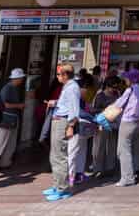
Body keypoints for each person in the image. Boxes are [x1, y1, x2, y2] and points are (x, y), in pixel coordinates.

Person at [44, 63, 81, 202]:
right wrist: (56, 102)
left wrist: (71, 125)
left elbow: (74, 109)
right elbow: (66, 103)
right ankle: (56, 185)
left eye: (59, 74)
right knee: (55, 155)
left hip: (63, 122)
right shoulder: (67, 87)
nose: (57, 76)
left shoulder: (72, 88)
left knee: (60, 156)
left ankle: (63, 189)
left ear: (65, 75)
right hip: (58, 120)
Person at [113, 68, 139, 187]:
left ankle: (127, 178)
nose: (125, 80)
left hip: (127, 122)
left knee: (123, 151)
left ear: (131, 79)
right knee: (135, 149)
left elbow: (119, 104)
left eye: (127, 78)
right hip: (137, 123)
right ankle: (137, 171)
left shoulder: (130, 90)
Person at [0, 68, 26, 172]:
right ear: (17, 78)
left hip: (12, 118)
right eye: (21, 78)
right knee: (0, 141)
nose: (22, 79)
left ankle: (5, 162)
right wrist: (19, 105)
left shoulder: (14, 88)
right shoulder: (8, 88)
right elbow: (5, 104)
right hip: (5, 118)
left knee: (10, 142)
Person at [90, 76, 122, 177]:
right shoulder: (100, 96)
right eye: (113, 87)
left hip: (113, 125)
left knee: (111, 147)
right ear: (107, 86)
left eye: (116, 87)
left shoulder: (117, 94)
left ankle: (110, 168)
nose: (115, 89)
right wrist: (106, 110)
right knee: (99, 147)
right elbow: (93, 110)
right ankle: (98, 169)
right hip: (101, 125)